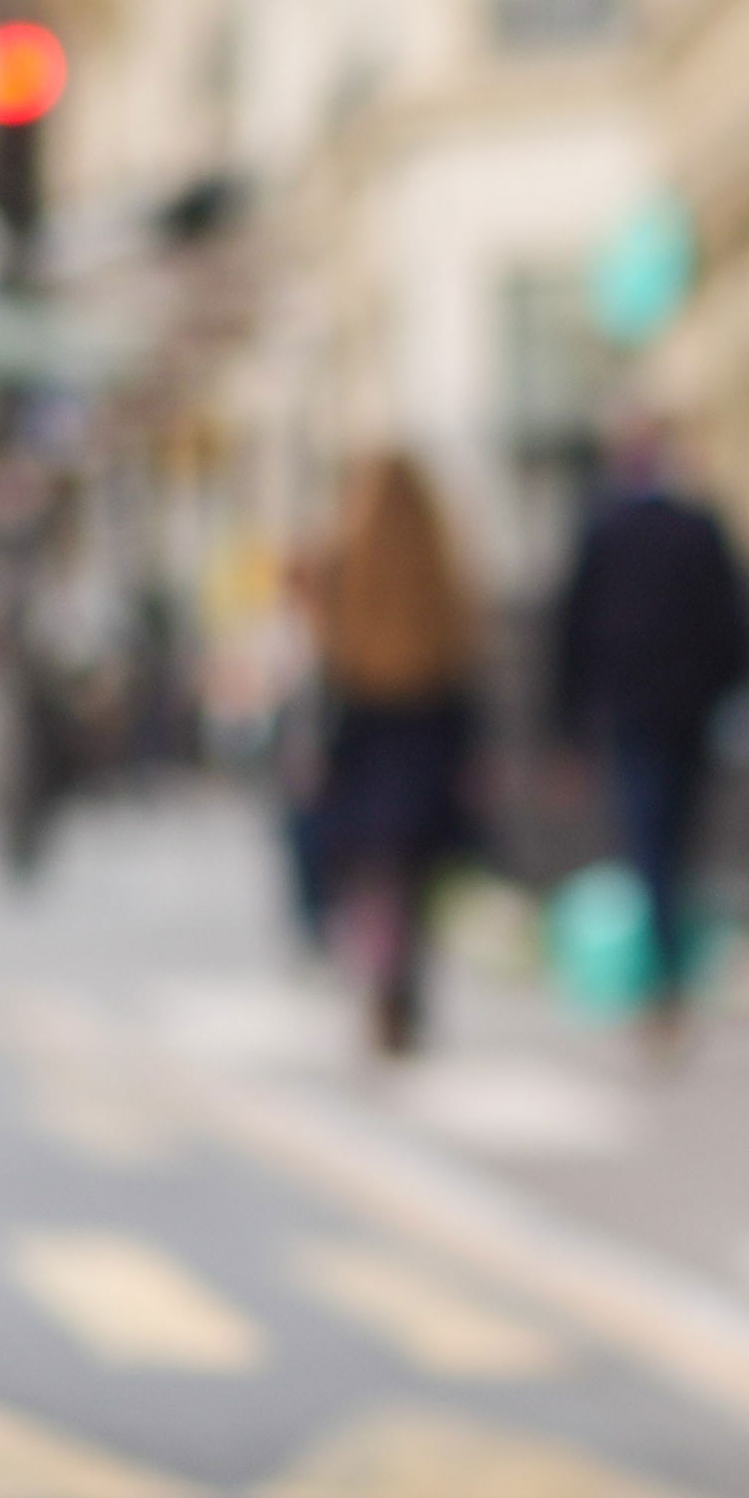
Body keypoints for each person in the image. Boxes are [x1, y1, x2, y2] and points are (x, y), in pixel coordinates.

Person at [549, 414, 749, 1056]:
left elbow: (572, 634)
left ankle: (663, 980)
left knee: (651, 844)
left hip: (635, 718)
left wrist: (569, 727)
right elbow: (733, 624)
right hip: (688, 717)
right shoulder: (697, 527)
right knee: (676, 844)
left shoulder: (604, 530)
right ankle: (668, 975)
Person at [302, 453, 481, 1058]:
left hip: (365, 740)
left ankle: (383, 979)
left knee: (375, 879)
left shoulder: (345, 563)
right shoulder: (438, 567)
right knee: (416, 878)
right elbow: (463, 673)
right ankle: (404, 986)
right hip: (427, 741)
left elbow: (328, 670)